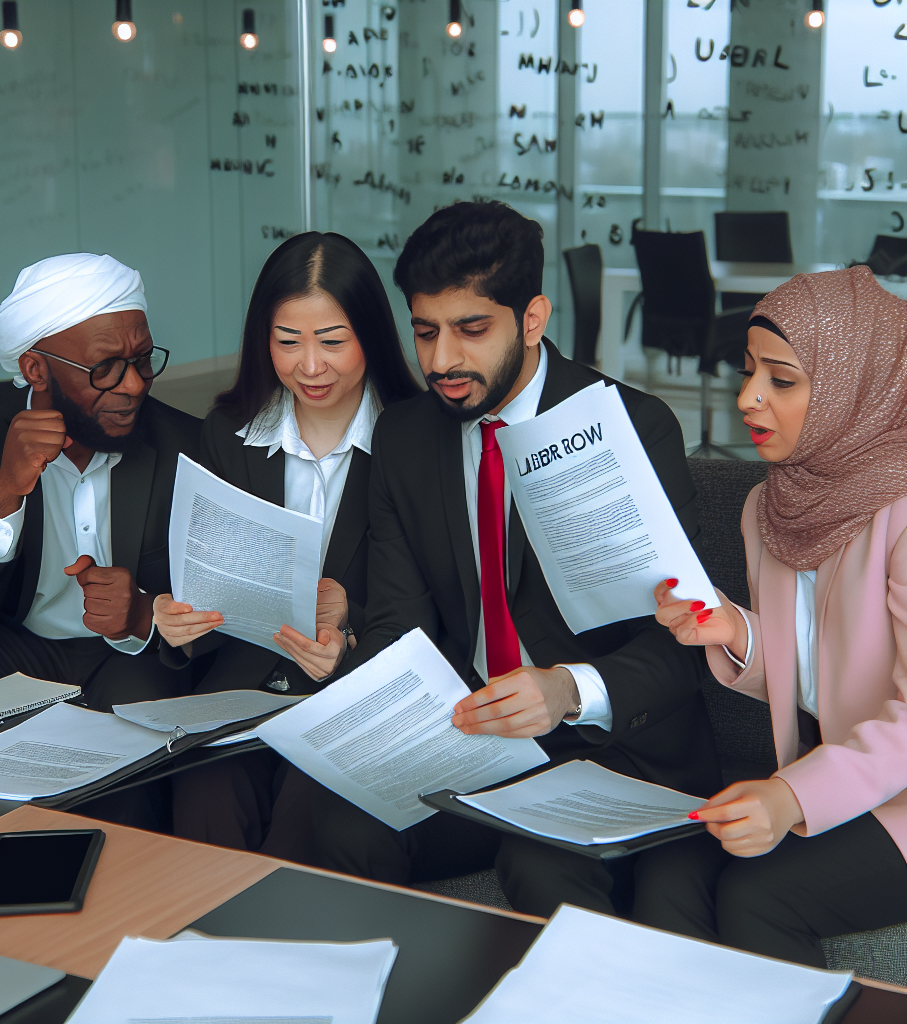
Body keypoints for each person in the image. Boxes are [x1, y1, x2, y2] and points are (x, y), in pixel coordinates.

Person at [272, 201, 721, 912]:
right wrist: (350, 657)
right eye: (425, 332)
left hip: (607, 744)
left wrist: (568, 689)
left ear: (533, 318)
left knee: (541, 864)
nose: (442, 360)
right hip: (474, 740)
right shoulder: (407, 437)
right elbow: (400, 624)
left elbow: (687, 642)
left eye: (471, 330)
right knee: (340, 824)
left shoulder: (631, 427)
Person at [650, 266, 907, 967]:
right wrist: (734, 631)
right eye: (748, 372)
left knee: (759, 894)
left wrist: (790, 798)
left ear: (858, 386)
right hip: (843, 780)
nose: (748, 399)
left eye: (782, 380)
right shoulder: (771, 504)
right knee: (670, 869)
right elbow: (820, 665)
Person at [152, 231, 420, 851]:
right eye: (287, 341)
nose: (309, 365)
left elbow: (437, 598)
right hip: (242, 689)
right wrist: (176, 619)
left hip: (352, 692)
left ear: (372, 338)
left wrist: (348, 630)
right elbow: (205, 571)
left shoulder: (414, 440)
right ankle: (209, 946)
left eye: (332, 341)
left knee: (314, 807)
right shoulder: (227, 434)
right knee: (205, 792)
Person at [0, 253, 201, 712]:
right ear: (36, 369)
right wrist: (4, 494)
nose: (133, 384)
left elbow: (225, 607)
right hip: (15, 648)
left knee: (140, 731)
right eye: (106, 368)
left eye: (143, 359)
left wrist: (144, 613)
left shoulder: (188, 445)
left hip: (132, 656)